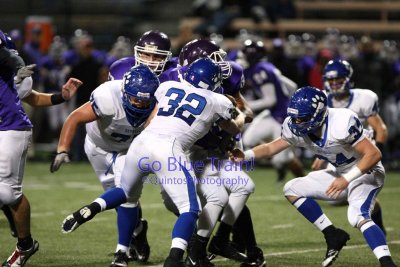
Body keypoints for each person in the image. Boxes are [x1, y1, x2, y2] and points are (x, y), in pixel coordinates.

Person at [60, 58, 244, 267]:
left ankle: (91, 208)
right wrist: (240, 119)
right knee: (190, 209)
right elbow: (233, 128)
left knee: (125, 192)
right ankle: (174, 260)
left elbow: (153, 116)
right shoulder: (218, 100)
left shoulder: (167, 86)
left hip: (141, 142)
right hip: (169, 149)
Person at [232, 86, 398, 267]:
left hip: (366, 172)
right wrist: (245, 155)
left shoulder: (341, 121)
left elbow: (374, 155)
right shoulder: (295, 125)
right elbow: (272, 147)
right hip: (341, 173)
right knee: (292, 188)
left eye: (301, 118)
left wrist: (346, 179)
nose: (295, 122)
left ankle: (387, 263)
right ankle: (332, 234)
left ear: (318, 114)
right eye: (294, 117)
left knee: (356, 215)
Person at [160, 39, 264, 267]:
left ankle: (215, 243)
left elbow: (245, 111)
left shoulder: (222, 81)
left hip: (211, 149)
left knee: (239, 188)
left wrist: (231, 118)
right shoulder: (169, 80)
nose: (221, 65)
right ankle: (196, 248)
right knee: (186, 205)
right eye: (213, 61)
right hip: (179, 152)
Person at [49, 64, 159, 267]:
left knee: (126, 195)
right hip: (98, 148)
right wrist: (63, 149)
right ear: (124, 92)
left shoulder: (158, 103)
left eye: (145, 101)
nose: (139, 105)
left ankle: (121, 253)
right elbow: (74, 118)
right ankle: (137, 231)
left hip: (130, 150)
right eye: (135, 99)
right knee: (117, 200)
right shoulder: (107, 97)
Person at [0, 30, 82, 267]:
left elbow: (29, 94)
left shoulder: (11, 70)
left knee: (7, 193)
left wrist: (60, 98)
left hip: (10, 129)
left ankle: (24, 245)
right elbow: (29, 96)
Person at [106, 30, 176, 263]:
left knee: (174, 200)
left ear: (167, 57)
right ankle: (127, 244)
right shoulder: (120, 70)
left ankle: (197, 241)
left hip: (165, 142)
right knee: (122, 194)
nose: (150, 61)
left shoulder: (176, 75)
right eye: (145, 55)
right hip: (128, 141)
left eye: (157, 57)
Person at [312, 59, 388, 234]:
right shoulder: (323, 100)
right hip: (341, 153)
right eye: (331, 81)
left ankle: (376, 224)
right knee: (334, 197)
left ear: (348, 79)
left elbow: (380, 129)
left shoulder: (364, 98)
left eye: (338, 80)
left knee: (353, 196)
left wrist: (376, 157)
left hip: (363, 152)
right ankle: (373, 210)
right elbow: (325, 133)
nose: (335, 84)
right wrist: (321, 155)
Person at [237, 38, 304, 183]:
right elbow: (292, 86)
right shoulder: (266, 67)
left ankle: (302, 177)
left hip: (281, 116)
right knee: (248, 139)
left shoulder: (261, 70)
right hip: (274, 113)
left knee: (281, 159)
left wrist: (243, 106)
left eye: (244, 53)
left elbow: (270, 100)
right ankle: (280, 152)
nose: (241, 56)